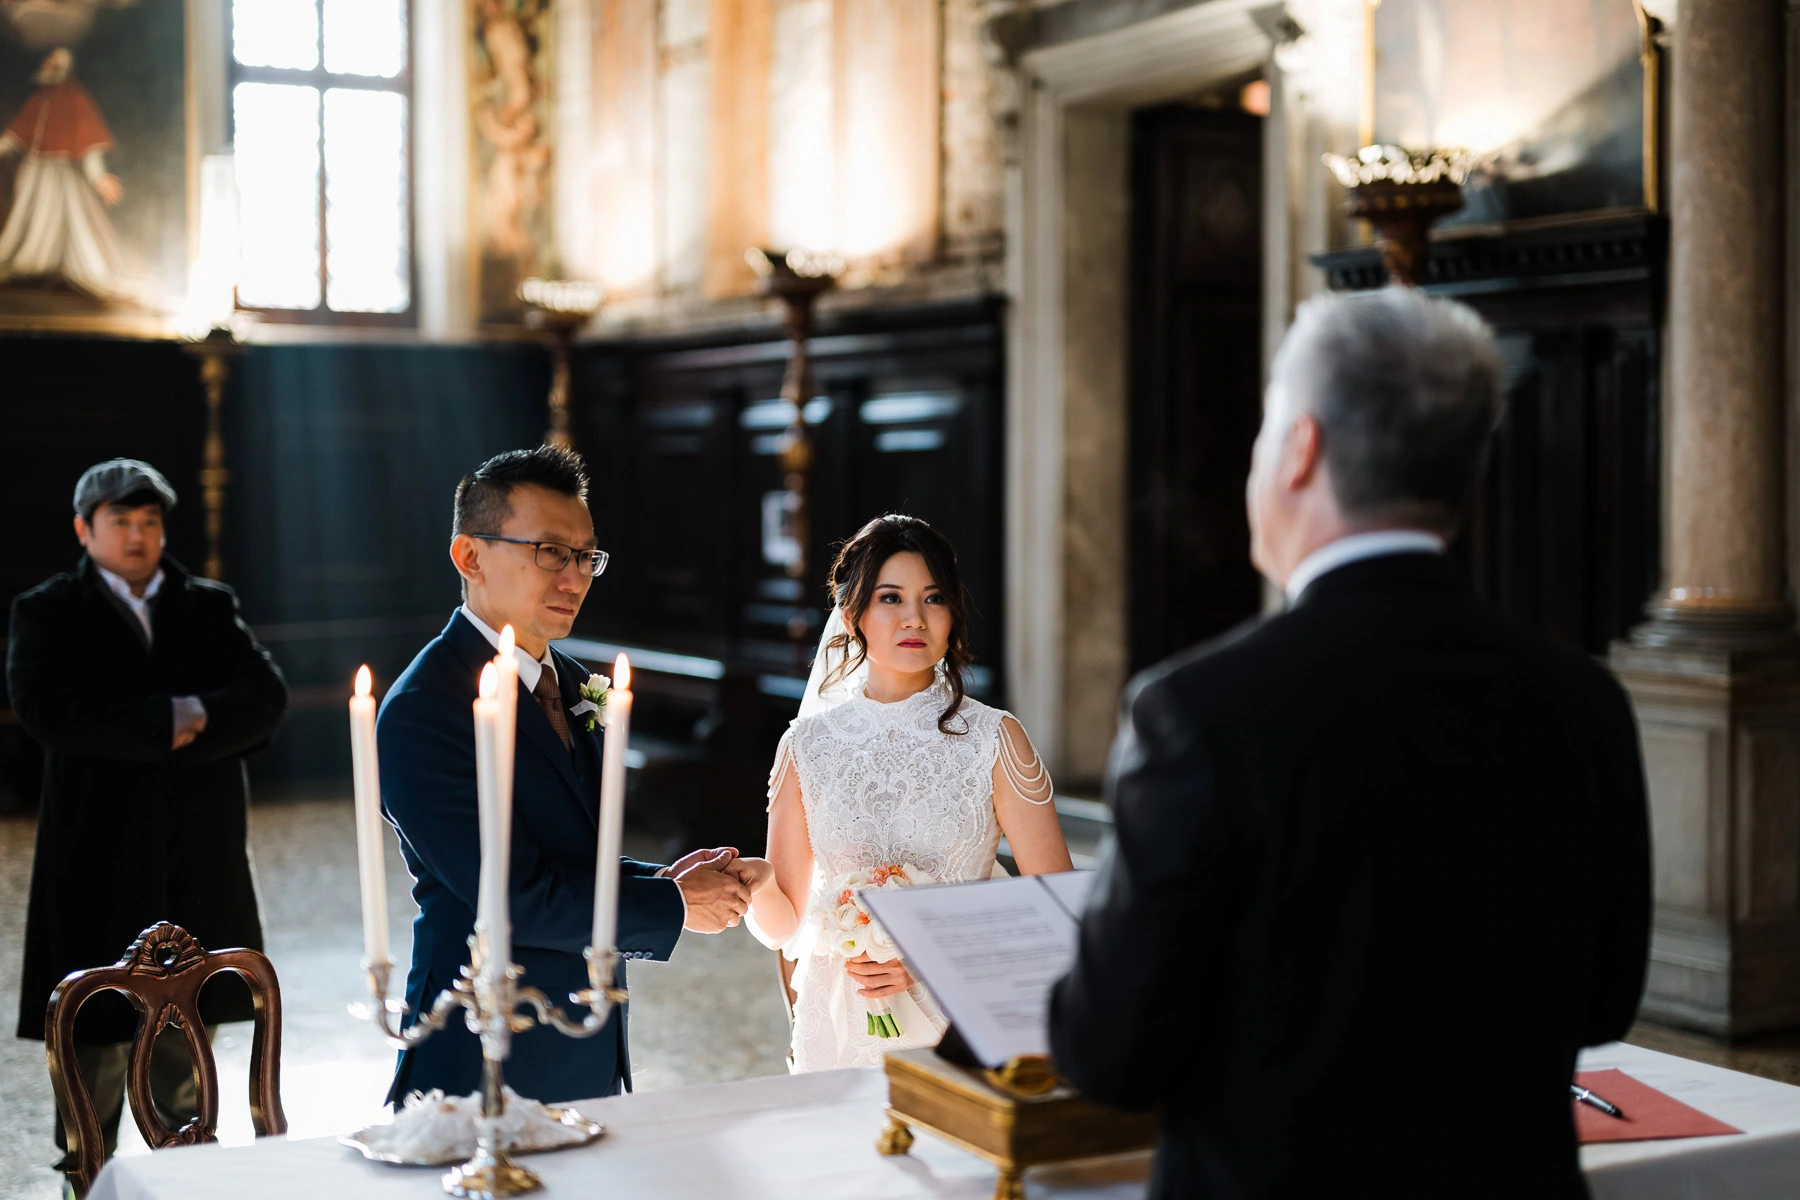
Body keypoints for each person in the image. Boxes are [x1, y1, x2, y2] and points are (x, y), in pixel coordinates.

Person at [1050, 289, 1652, 1199]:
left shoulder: (1198, 712)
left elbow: (1110, 1055)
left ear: (1300, 448)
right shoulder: (1583, 701)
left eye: (1262, 428)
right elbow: (1606, 1004)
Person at [378, 445, 758, 1104]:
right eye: (551, 552)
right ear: (471, 557)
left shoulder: (577, 684)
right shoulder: (426, 708)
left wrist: (666, 878)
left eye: (586, 557)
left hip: (582, 1029)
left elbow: (568, 856)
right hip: (481, 1043)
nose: (574, 578)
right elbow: (514, 897)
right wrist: (673, 906)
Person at [9, 458, 287, 1170]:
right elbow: (49, 713)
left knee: (187, 1039)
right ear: (84, 528)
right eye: (121, 522)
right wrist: (170, 721)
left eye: (150, 521)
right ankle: (84, 1179)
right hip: (94, 854)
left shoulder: (206, 604)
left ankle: (187, 1175)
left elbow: (264, 698)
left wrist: (191, 717)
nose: (138, 536)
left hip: (196, 849)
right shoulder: (47, 610)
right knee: (92, 1040)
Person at [743, 515, 1073, 1070]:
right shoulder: (807, 745)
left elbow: (1054, 909)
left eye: (934, 598)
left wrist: (935, 956)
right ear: (853, 616)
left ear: (952, 616)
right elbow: (785, 923)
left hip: (961, 1013)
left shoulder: (995, 738)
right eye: (890, 598)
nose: (914, 618)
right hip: (840, 1021)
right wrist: (754, 887)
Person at [0, 48, 125, 297]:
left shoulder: (76, 100)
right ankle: (33, 266)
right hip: (35, 172)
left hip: (61, 174)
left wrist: (99, 178)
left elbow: (89, 146)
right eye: (46, 62)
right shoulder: (38, 100)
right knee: (30, 217)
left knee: (68, 219)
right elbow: (14, 136)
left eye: (52, 64)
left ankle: (54, 269)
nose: (47, 67)